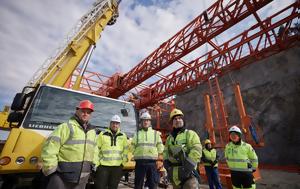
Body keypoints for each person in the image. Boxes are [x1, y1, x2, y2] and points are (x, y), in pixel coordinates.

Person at [41, 100, 98, 189]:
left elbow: (94, 150)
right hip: (61, 177)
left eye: (88, 112)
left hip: (83, 177)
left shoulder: (92, 132)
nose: (85, 114)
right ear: (77, 111)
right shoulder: (65, 127)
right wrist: (52, 170)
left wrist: (94, 165)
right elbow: (50, 148)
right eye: (83, 111)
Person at [163, 108, 202, 189]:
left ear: (183, 120)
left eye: (180, 118)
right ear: (172, 122)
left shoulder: (190, 134)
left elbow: (196, 150)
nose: (178, 120)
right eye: (175, 119)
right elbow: (166, 152)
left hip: (189, 175)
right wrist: (166, 163)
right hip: (175, 176)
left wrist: (188, 167)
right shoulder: (169, 139)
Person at [94, 115, 129, 189]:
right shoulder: (102, 134)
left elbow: (126, 150)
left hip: (117, 167)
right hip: (103, 167)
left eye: (117, 123)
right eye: (113, 123)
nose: (115, 125)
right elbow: (96, 149)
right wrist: (96, 164)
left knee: (113, 187)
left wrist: (123, 163)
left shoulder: (123, 136)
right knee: (100, 187)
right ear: (110, 124)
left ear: (119, 125)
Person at [132, 112, 164, 189]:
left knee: (153, 184)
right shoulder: (137, 134)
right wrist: (133, 155)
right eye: (144, 120)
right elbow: (132, 146)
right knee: (138, 184)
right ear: (141, 122)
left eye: (147, 120)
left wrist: (160, 160)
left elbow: (160, 147)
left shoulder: (156, 134)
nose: (146, 122)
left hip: (152, 163)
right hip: (140, 162)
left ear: (150, 122)